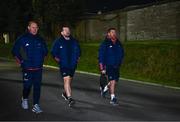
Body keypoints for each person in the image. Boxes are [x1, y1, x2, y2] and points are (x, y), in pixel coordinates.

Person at [12, 21, 48, 113]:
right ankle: (24, 98)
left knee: (37, 87)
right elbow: (15, 51)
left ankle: (36, 105)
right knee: (27, 86)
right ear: (28, 27)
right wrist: (22, 61)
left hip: (38, 69)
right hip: (27, 68)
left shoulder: (40, 39)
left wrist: (41, 61)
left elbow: (45, 52)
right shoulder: (22, 39)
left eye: (36, 27)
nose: (35, 29)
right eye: (33, 27)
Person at [51, 26, 81, 107]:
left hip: (73, 65)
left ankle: (65, 93)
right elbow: (53, 52)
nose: (67, 31)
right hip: (64, 65)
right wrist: (60, 61)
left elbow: (79, 51)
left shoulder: (74, 41)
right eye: (65, 30)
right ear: (62, 32)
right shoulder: (58, 41)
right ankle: (70, 99)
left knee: (69, 81)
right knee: (67, 80)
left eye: (68, 30)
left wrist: (77, 58)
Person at [98, 28, 124, 106]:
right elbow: (101, 56)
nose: (114, 33)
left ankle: (105, 88)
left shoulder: (118, 43)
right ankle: (113, 98)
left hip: (117, 65)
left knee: (115, 81)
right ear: (108, 34)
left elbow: (122, 53)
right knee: (112, 80)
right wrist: (102, 68)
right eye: (112, 32)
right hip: (108, 65)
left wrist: (120, 61)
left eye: (115, 32)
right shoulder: (105, 43)